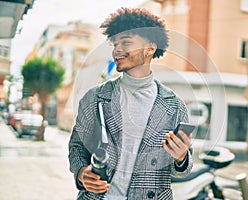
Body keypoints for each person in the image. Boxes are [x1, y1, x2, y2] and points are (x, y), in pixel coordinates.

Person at [68, 7, 193, 200]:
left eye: (125, 42)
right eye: (115, 43)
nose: (117, 50)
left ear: (150, 48)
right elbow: (77, 147)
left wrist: (181, 157)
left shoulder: (174, 105)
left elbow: (182, 171)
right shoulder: (95, 97)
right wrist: (81, 173)